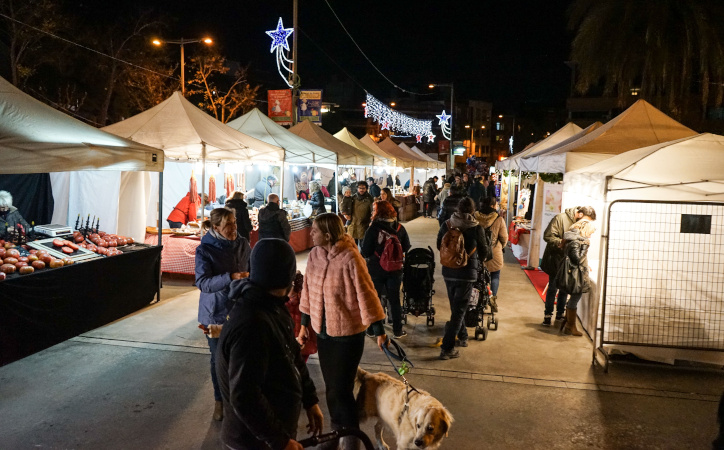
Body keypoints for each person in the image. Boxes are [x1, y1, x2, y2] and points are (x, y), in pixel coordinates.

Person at [216, 239, 323, 449]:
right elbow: (245, 396)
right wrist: (279, 441)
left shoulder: (272, 307)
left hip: (269, 436)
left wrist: (310, 399)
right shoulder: (253, 323)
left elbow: (292, 355)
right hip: (254, 442)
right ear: (287, 277)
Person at [298, 213, 387, 448]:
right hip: (324, 334)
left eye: (315, 230)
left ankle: (350, 439)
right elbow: (308, 291)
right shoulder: (315, 256)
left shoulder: (350, 258)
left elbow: (367, 294)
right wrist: (304, 325)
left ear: (327, 234)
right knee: (331, 389)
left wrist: (379, 330)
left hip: (348, 335)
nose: (311, 234)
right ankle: (337, 434)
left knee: (341, 390)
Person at [195, 207, 251, 421]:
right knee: (219, 359)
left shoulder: (243, 243)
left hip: (241, 310)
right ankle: (220, 401)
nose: (234, 228)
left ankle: (238, 401)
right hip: (215, 313)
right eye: (228, 225)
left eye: (235, 222)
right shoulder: (205, 250)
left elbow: (251, 269)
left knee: (241, 358)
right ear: (216, 227)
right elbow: (203, 283)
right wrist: (230, 277)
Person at [436, 197, 489, 360]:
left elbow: (439, 245)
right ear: (473, 210)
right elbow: (485, 253)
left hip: (448, 272)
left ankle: (463, 336)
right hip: (467, 274)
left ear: (457, 209)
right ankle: (447, 348)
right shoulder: (476, 228)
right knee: (459, 311)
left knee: (456, 308)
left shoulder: (447, 224)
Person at [360, 201, 411, 338]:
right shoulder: (400, 228)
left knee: (375, 299)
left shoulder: (373, 228)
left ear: (377, 212)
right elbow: (406, 246)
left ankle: (372, 330)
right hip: (395, 269)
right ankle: (397, 330)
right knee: (394, 299)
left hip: (376, 269)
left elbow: (365, 251)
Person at [540, 206, 586, 325]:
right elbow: (548, 236)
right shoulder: (560, 218)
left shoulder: (579, 223)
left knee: (565, 288)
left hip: (568, 261)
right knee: (553, 287)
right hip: (556, 259)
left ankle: (560, 313)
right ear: (580, 214)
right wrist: (561, 243)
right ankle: (548, 314)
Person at [557, 218, 596, 336]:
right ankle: (570, 326)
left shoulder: (573, 239)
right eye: (590, 232)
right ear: (585, 230)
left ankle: (569, 324)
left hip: (574, 272)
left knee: (574, 298)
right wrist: (585, 247)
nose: (590, 235)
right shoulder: (576, 242)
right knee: (575, 298)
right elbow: (577, 258)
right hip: (575, 275)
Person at [475, 196, 508, 313]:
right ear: (493, 206)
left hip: (477, 253)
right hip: (494, 252)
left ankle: (479, 300)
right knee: (495, 276)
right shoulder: (499, 219)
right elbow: (504, 238)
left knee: (479, 277)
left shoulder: (475, 217)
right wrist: (499, 247)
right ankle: (492, 299)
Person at [346, 181, 374, 245]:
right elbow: (346, 208)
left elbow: (373, 212)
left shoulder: (370, 199)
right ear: (357, 188)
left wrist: (371, 222)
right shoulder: (353, 198)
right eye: (360, 188)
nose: (361, 190)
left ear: (366, 189)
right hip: (353, 225)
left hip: (364, 226)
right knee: (352, 247)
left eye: (363, 188)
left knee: (363, 247)